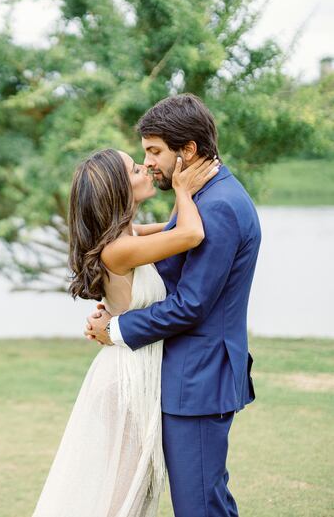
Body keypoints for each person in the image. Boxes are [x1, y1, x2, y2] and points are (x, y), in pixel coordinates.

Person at [84, 94, 260, 517]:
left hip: (197, 380)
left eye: (155, 151)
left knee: (200, 505)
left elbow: (191, 305)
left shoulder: (217, 208)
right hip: (183, 377)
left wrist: (118, 329)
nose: (150, 164)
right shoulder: (203, 198)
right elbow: (162, 254)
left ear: (189, 151)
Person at [32, 143, 219, 517]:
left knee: (134, 487)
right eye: (136, 170)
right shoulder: (117, 250)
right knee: (123, 492)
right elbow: (191, 235)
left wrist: (190, 194)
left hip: (134, 369)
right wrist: (183, 190)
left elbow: (174, 229)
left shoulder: (128, 236)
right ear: (119, 191)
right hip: (125, 378)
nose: (146, 170)